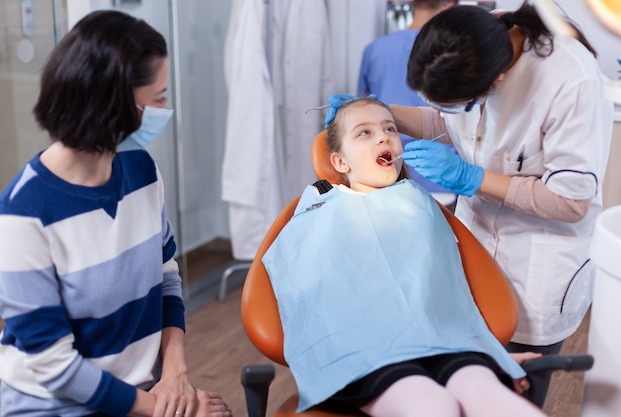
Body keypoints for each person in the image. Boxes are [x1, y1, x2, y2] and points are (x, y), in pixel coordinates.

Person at [0, 10, 232, 417]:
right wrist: (161, 409)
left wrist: (175, 372)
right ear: (114, 101)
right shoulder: (21, 216)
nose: (166, 109)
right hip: (56, 406)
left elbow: (166, 276)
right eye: (158, 98)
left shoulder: (141, 171)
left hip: (142, 390)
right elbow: (57, 368)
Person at [262, 95, 546, 417]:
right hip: (364, 352)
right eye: (364, 133)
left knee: (492, 397)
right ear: (340, 162)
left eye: (390, 129)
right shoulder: (319, 205)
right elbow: (301, 274)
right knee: (435, 407)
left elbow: (447, 286)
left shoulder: (418, 201)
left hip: (445, 340)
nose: (383, 136)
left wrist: (490, 353)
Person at [390, 2, 614, 407]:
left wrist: (471, 178)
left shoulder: (571, 79)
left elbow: (572, 200)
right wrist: (384, 113)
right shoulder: (474, 40)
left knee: (512, 397)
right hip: (474, 253)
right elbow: (454, 120)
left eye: (466, 101)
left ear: (495, 81)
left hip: (537, 269)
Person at [357, 0, 459, 200]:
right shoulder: (458, 51)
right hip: (443, 180)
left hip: (388, 176)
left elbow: (363, 111)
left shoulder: (375, 50)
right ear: (448, 4)